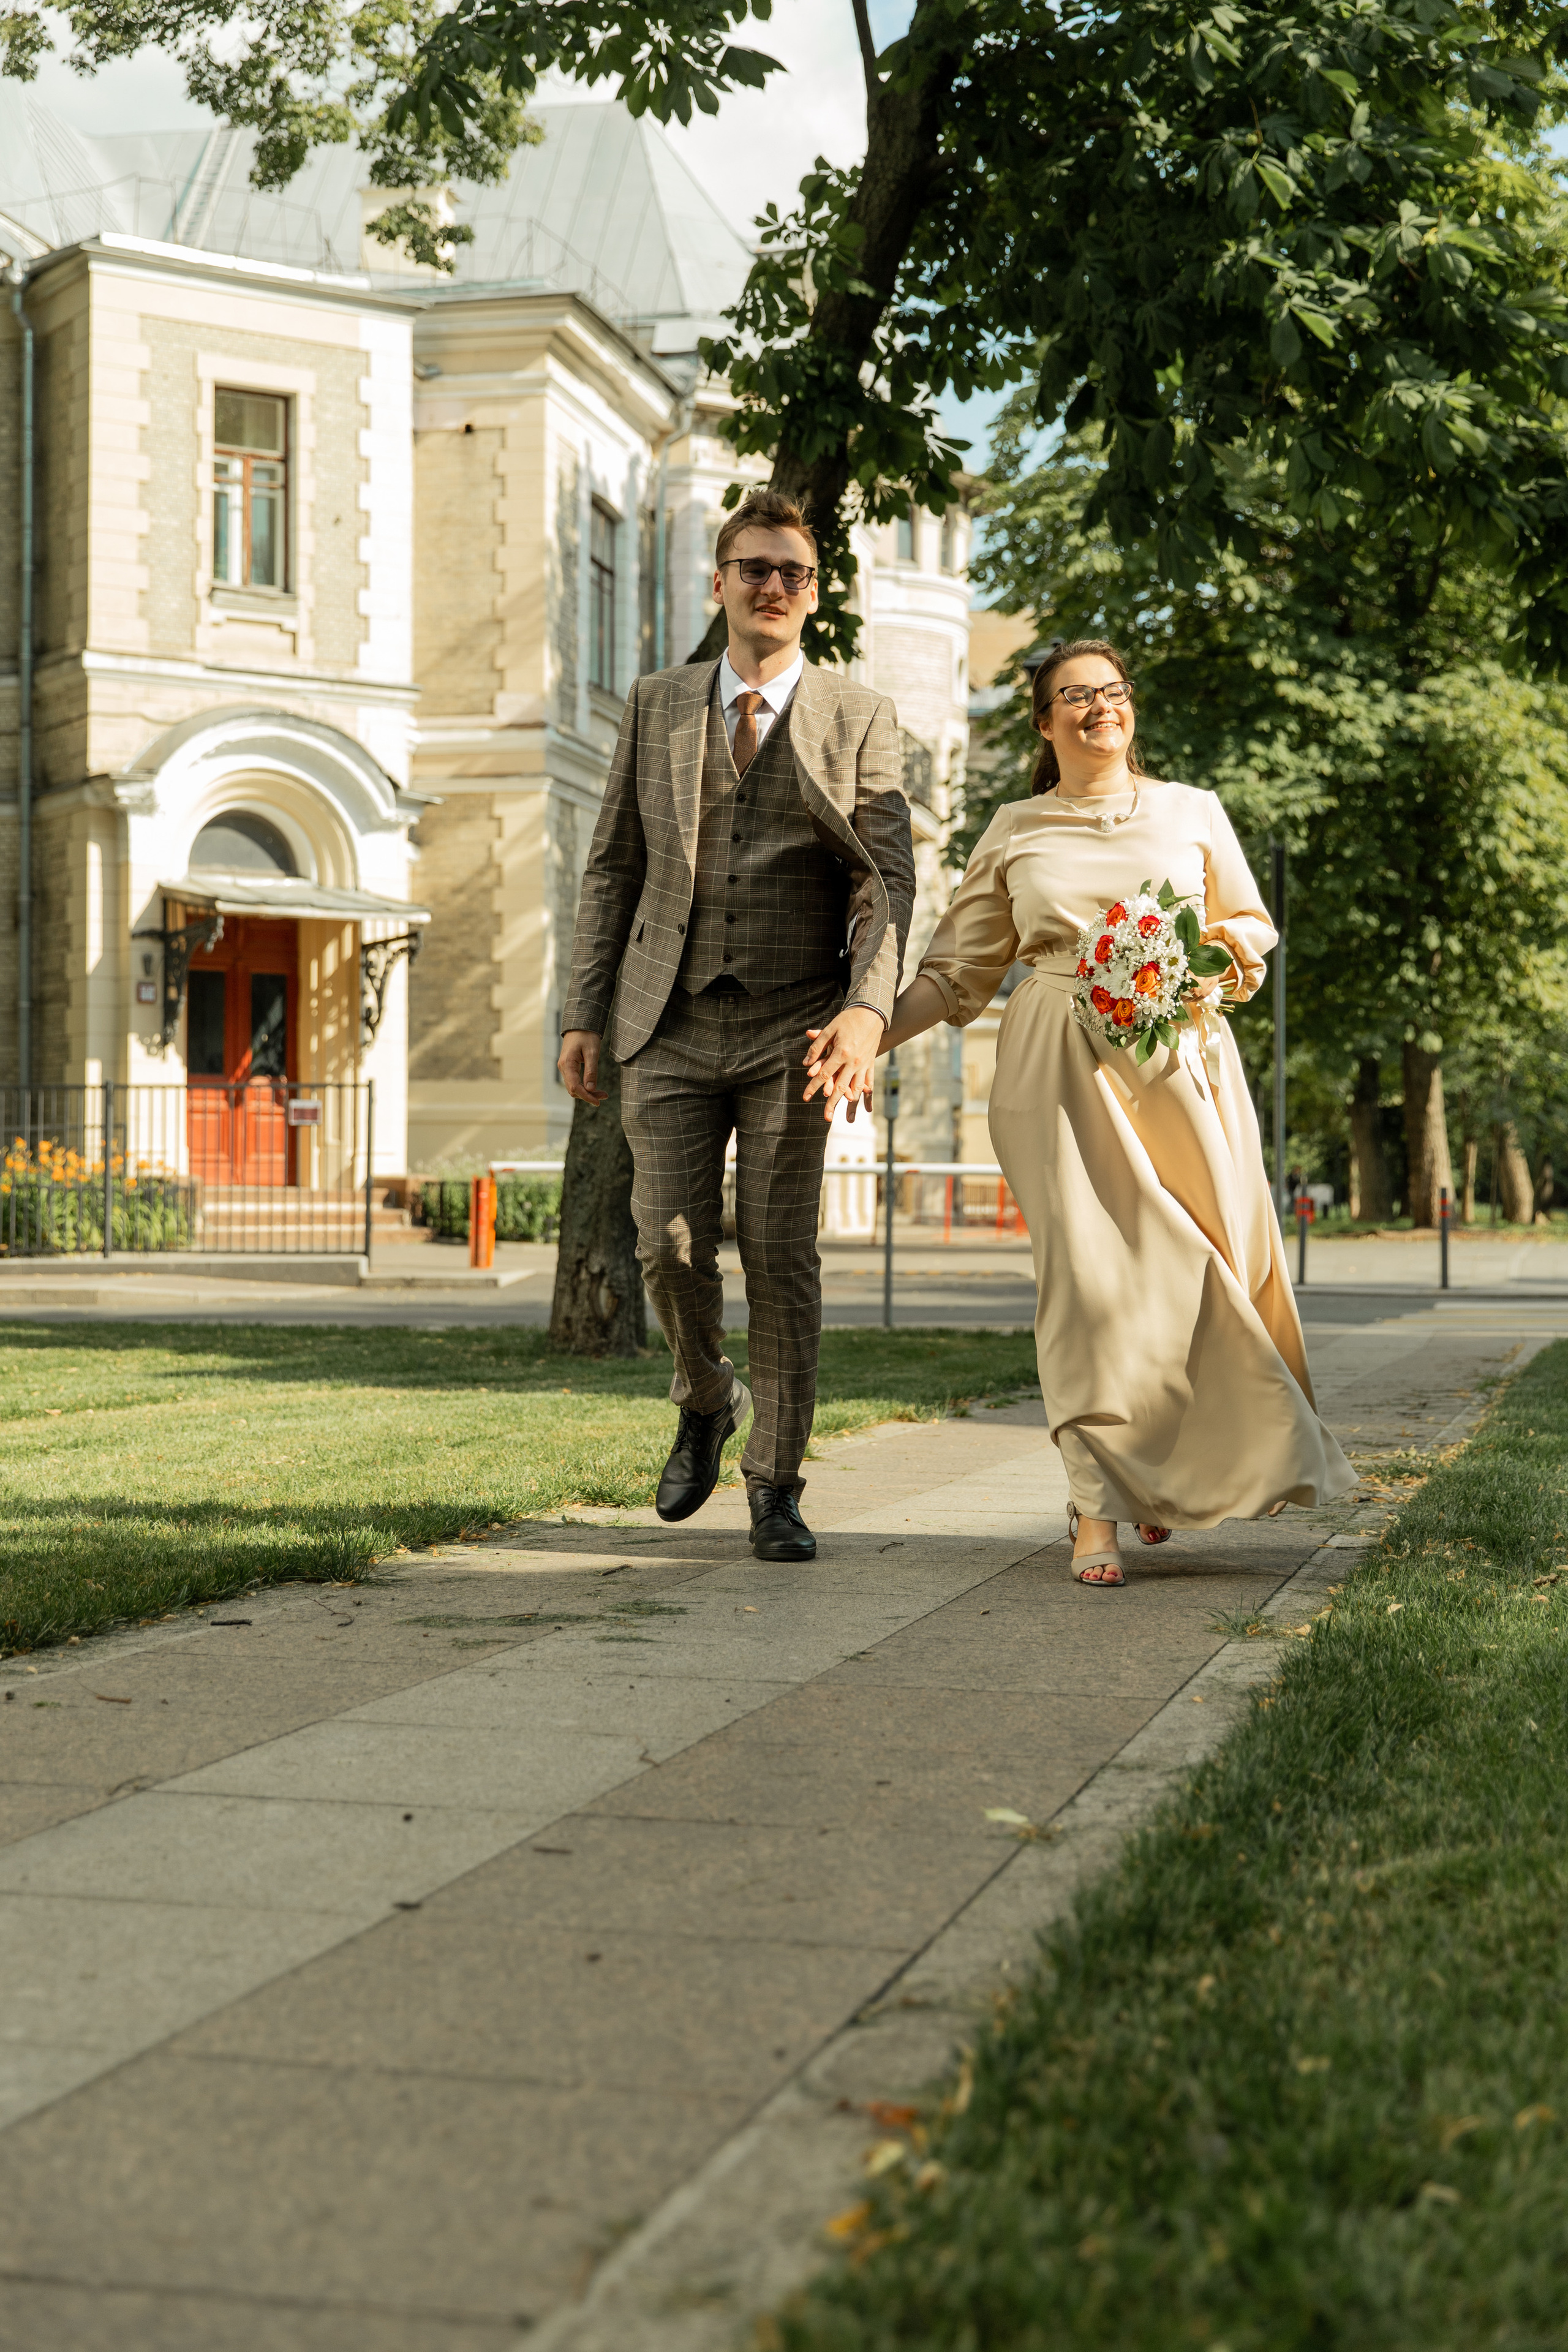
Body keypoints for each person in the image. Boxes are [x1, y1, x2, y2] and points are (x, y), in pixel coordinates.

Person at [880, 637, 1354, 1585]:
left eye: (1114, 690)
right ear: (1044, 721)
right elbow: (957, 974)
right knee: (1093, 1289)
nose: (1102, 705)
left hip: (1184, 1062)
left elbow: (1251, 923)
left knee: (1209, 1272)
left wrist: (1195, 959)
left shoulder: (1192, 811)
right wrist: (866, 1034)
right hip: (1057, 1066)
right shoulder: (1015, 826)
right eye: (1076, 694)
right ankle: (1094, 1506)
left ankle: (1163, 1475)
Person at [558, 489, 916, 1562]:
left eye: (793, 574)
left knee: (778, 1253)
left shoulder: (859, 717)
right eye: (753, 568)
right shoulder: (656, 703)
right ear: (718, 583)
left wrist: (865, 1008)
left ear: (814, 596)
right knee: (665, 1248)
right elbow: (615, 865)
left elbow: (885, 881)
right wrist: (583, 1011)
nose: (772, 587)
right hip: (661, 1017)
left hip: (794, 1027)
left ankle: (777, 1485)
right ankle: (706, 1394)